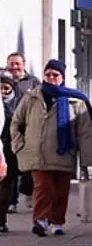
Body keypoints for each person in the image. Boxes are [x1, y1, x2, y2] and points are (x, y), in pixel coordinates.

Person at [11, 60, 92, 237]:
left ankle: (57, 222)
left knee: (60, 190)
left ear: (62, 77)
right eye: (48, 74)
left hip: (64, 153)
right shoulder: (31, 97)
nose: (51, 78)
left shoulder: (76, 100)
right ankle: (41, 220)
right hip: (38, 154)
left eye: (55, 75)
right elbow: (16, 123)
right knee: (43, 187)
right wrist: (19, 146)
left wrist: (87, 161)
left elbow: (85, 133)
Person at [7, 52, 40, 212]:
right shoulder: (3, 81)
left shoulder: (33, 82)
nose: (14, 67)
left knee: (28, 166)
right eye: (11, 64)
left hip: (27, 131)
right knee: (10, 168)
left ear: (24, 64)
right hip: (7, 131)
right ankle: (11, 201)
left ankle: (27, 192)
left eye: (17, 64)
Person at [0, 70, 21, 233]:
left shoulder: (19, 103)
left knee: (7, 184)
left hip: (11, 149)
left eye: (6, 88)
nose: (3, 91)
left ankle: (2, 218)